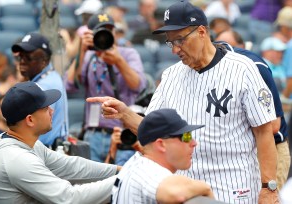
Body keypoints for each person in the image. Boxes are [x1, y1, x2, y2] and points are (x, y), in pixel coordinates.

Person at [87, 1, 279, 203]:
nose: (175, 50)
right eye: (170, 42)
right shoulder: (171, 76)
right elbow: (152, 130)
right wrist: (125, 114)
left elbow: (264, 132)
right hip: (186, 192)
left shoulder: (243, 69)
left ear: (202, 32)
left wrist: (269, 187)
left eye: (180, 40)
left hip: (235, 189)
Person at [0, 81, 119, 203]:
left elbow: (70, 166)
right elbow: (69, 198)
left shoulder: (25, 143)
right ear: (30, 120)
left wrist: (119, 171)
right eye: (45, 108)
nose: (52, 111)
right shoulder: (17, 159)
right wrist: (125, 179)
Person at [64, 13, 146, 162]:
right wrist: (81, 51)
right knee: (93, 182)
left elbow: (138, 85)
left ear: (115, 32)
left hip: (122, 133)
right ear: (90, 34)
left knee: (119, 180)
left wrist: (119, 61)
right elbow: (69, 85)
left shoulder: (128, 54)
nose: (105, 36)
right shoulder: (88, 57)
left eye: (109, 30)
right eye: (101, 31)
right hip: (93, 133)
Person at [213, 37, 290, 190]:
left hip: (271, 149)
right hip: (237, 155)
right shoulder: (201, 70)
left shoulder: (254, 66)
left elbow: (274, 125)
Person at [112, 108, 214, 203]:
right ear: (161, 144)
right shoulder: (147, 169)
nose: (194, 143)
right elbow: (175, 193)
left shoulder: (136, 163)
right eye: (186, 136)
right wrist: (205, 188)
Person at [11, 33, 69, 149]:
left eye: (28, 58)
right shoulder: (51, 76)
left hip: (44, 153)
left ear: (44, 61)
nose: (22, 61)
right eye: (20, 57)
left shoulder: (44, 86)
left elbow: (32, 129)